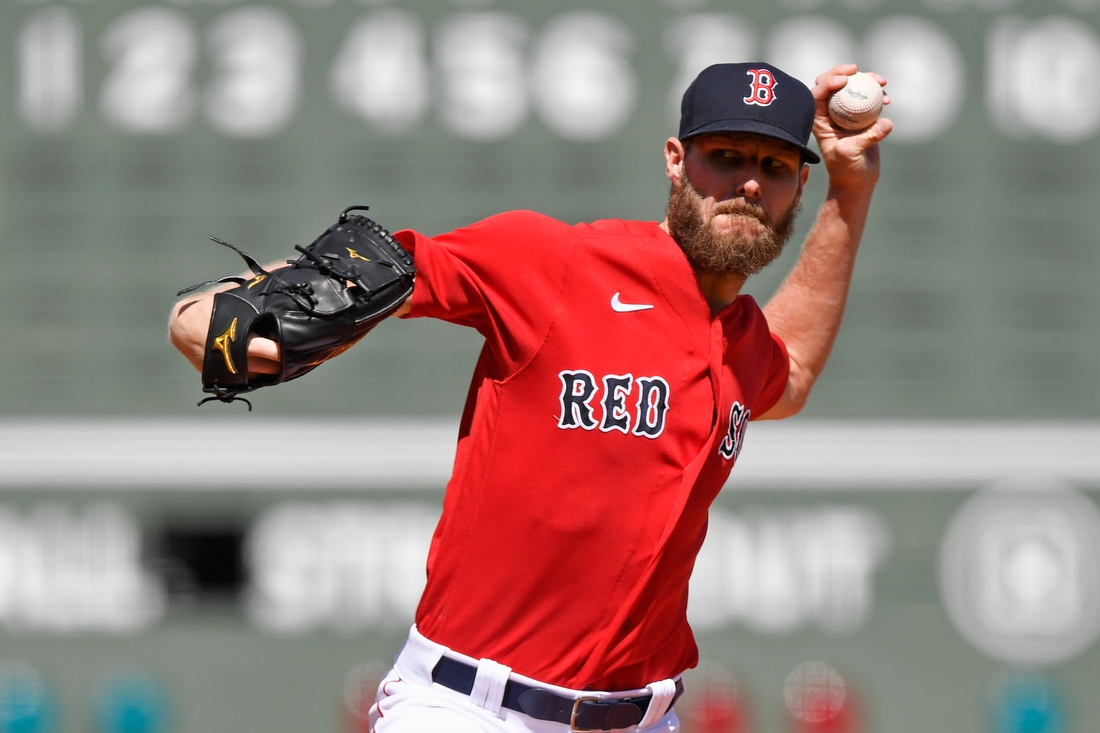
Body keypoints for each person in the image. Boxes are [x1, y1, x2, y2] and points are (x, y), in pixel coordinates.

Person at [169, 61, 891, 733]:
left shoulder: (740, 340)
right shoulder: (558, 262)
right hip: (469, 707)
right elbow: (381, 273)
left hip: (644, 714)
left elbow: (789, 369)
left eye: (773, 166)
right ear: (677, 161)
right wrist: (215, 316)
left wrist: (851, 191)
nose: (748, 183)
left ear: (799, 183)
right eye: (725, 156)